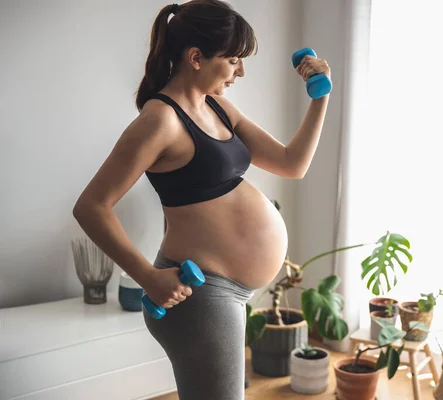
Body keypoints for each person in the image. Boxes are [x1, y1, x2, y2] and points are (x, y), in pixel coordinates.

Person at [72, 0, 330, 399]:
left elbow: (291, 164)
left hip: (230, 293)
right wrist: (149, 278)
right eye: (233, 61)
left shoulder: (218, 107)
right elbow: (91, 206)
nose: (240, 72)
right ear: (195, 57)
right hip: (201, 294)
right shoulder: (160, 120)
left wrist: (319, 98)